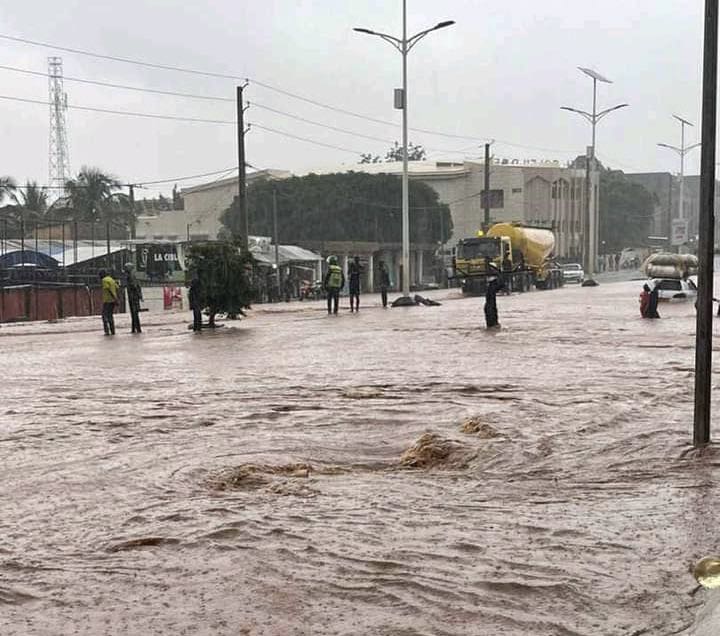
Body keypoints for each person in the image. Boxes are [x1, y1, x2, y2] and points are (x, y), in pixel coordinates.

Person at [124, 262, 143, 334]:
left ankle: (136, 329)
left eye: (126, 268)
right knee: (134, 314)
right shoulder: (131, 276)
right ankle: (135, 329)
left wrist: (138, 296)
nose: (125, 269)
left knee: (134, 313)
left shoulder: (131, 276)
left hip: (133, 298)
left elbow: (135, 286)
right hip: (133, 297)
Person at [99, 269, 119, 336]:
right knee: (110, 315)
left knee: (104, 316)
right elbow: (117, 287)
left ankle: (107, 331)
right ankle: (113, 331)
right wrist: (116, 298)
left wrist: (113, 297)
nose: (99, 277)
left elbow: (108, 289)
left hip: (107, 300)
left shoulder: (104, 280)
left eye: (100, 275)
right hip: (113, 301)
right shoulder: (111, 279)